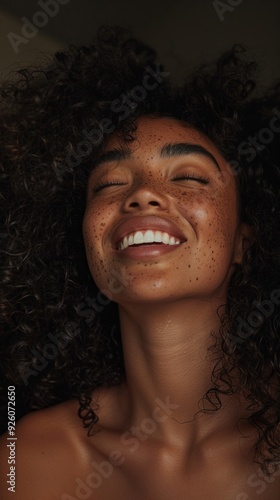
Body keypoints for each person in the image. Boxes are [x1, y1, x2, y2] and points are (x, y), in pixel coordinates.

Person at [0, 26, 280, 500]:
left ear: (243, 243)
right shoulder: (21, 459)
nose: (143, 194)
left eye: (189, 176)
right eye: (109, 183)